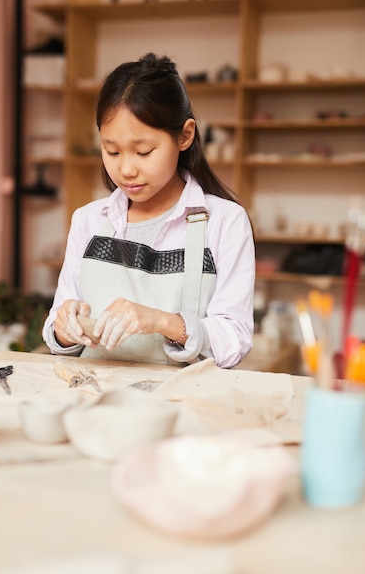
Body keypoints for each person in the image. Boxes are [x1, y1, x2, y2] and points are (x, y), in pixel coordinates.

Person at [42, 52, 255, 369]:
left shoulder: (225, 222)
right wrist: (64, 329)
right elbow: (59, 331)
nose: (126, 169)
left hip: (180, 404)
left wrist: (161, 322)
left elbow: (233, 341)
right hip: (95, 399)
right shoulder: (88, 221)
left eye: (143, 152)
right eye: (111, 150)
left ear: (184, 136)